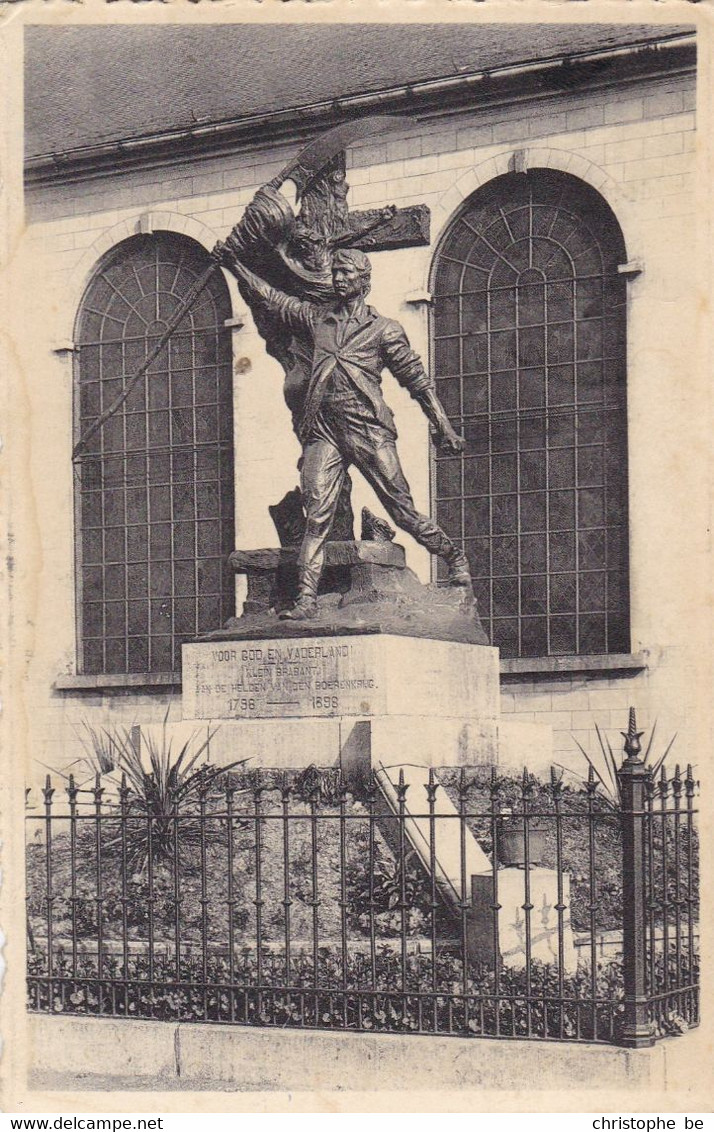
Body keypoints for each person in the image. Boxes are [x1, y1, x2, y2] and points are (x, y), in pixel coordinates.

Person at [216, 242, 471, 621]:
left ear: (363, 282)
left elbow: (418, 381)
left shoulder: (384, 330)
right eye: (335, 272)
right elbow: (272, 299)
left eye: (345, 273)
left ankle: (454, 556)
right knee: (316, 512)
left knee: (402, 511)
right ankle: (306, 599)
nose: (336, 278)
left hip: (368, 430)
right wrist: (235, 264)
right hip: (324, 432)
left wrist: (443, 426)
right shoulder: (318, 320)